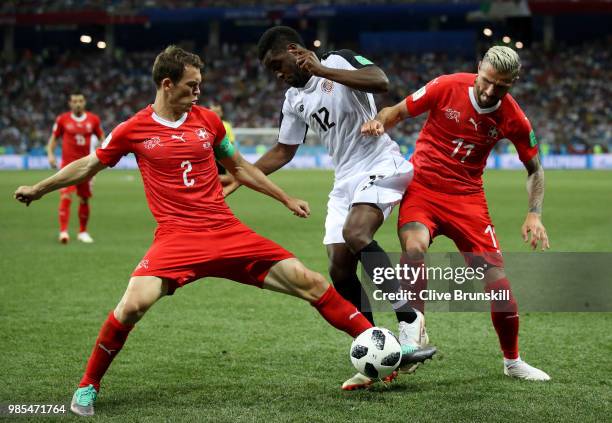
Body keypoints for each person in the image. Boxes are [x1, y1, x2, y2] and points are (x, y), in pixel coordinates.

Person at [15, 46, 387, 416]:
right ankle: (87, 386)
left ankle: (378, 347)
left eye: (200, 84)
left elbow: (240, 167)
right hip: (176, 239)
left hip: (227, 231)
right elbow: (88, 165)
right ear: (166, 84)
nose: (198, 91)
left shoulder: (207, 121)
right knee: (131, 307)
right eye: (191, 85)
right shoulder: (133, 129)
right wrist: (39, 188)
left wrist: (285, 198)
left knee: (311, 282)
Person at [221, 26, 435, 390]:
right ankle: (377, 348)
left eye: (278, 63)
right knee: (339, 268)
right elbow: (284, 150)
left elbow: (380, 81)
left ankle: (410, 319)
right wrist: (243, 176)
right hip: (344, 180)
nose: (278, 73)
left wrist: (321, 70)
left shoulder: (340, 60)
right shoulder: (293, 99)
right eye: (271, 70)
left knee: (356, 234)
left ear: (294, 49)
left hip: (380, 163)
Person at [361, 46, 551, 381]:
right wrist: (378, 121)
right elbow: (399, 111)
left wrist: (534, 213)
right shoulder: (445, 86)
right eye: (487, 81)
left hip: (467, 200)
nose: (491, 91)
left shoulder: (514, 118)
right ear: (479, 68)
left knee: (499, 283)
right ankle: (411, 336)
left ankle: (513, 361)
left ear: (513, 83)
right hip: (423, 188)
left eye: (502, 86)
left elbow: (534, 168)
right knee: (415, 247)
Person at [47, 92, 104, 243]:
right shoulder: (62, 119)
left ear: (84, 102)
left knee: (84, 199)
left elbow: (102, 139)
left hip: (86, 166)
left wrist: (100, 156)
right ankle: (63, 232)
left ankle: (82, 232)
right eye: (74, 101)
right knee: (65, 196)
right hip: (67, 166)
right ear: (70, 103)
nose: (77, 104)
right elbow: (53, 139)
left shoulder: (93, 120)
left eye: (80, 101)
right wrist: (51, 154)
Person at [210, 102, 236, 174]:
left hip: (221, 159)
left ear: (221, 113)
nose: (216, 114)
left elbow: (231, 143)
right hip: (208, 159)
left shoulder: (226, 125)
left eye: (218, 112)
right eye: (213, 112)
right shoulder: (203, 125)